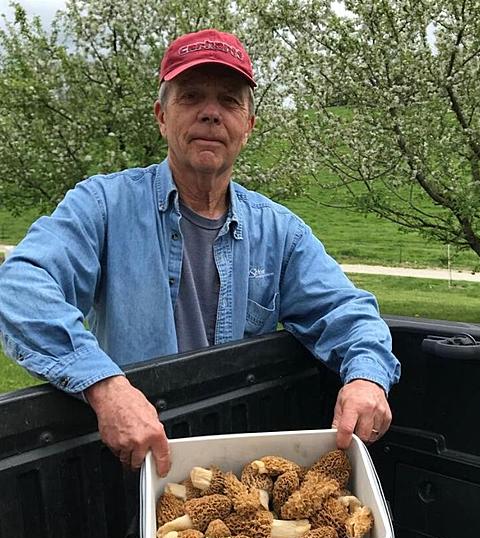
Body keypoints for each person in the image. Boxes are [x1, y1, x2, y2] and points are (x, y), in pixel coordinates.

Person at [0, 29, 400, 477]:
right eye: (191, 96)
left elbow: (348, 310)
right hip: (133, 461)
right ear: (161, 117)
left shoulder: (280, 231)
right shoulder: (101, 206)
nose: (210, 114)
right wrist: (106, 386)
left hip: (234, 465)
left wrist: (366, 376)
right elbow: (20, 288)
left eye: (229, 101)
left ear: (248, 126)